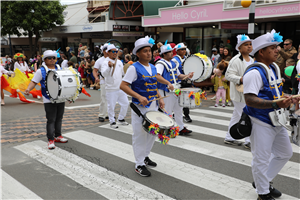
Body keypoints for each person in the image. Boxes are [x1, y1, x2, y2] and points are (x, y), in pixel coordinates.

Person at [243, 30, 295, 200]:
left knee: (285, 153)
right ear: (261, 52)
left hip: (276, 119)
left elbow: (272, 93)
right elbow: (249, 99)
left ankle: (262, 181)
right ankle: (263, 192)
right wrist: (275, 103)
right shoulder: (254, 72)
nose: (278, 50)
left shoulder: (272, 68)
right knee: (261, 159)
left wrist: (284, 98)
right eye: (273, 47)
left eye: (277, 47)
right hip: (260, 121)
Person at [120, 36, 165, 177]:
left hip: (153, 105)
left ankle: (145, 157)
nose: (148, 53)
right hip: (139, 107)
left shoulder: (152, 67)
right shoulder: (134, 68)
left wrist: (160, 98)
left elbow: (154, 84)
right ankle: (138, 164)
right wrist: (138, 96)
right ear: (138, 54)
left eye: (150, 51)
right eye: (145, 51)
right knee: (140, 135)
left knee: (152, 133)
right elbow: (122, 85)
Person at [25, 50, 68, 149]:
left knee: (59, 118)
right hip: (48, 99)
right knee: (51, 119)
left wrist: (68, 95)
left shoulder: (59, 68)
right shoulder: (41, 70)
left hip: (60, 98)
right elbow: (34, 82)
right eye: (50, 58)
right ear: (45, 59)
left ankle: (58, 136)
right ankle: (50, 139)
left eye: (54, 58)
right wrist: (28, 89)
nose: (52, 60)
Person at [155, 41, 193, 136]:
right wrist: (168, 83)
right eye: (170, 52)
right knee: (167, 110)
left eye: (172, 51)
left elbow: (179, 75)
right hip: (165, 90)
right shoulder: (160, 63)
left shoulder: (173, 63)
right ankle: (166, 128)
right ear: (164, 54)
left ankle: (180, 127)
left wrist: (187, 76)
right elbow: (157, 76)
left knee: (178, 109)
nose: (172, 53)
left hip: (176, 89)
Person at [225, 34, 254, 148]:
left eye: (250, 44)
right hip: (239, 94)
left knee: (236, 116)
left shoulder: (251, 59)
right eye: (246, 45)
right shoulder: (235, 60)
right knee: (247, 116)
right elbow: (228, 75)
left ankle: (229, 137)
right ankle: (249, 141)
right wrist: (241, 79)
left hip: (248, 92)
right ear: (239, 48)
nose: (249, 46)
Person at [101, 44, 129, 129]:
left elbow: (123, 74)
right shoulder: (105, 62)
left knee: (126, 103)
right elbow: (104, 74)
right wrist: (109, 67)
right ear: (108, 52)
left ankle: (120, 118)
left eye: (116, 51)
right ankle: (112, 121)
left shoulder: (119, 62)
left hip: (120, 87)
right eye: (113, 51)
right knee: (111, 106)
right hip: (111, 88)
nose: (115, 53)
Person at [172, 42, 192, 123]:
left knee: (186, 99)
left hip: (186, 82)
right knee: (178, 100)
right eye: (182, 49)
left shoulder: (187, 58)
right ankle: (181, 114)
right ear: (177, 51)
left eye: (185, 49)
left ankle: (186, 114)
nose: (184, 50)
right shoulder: (174, 60)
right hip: (178, 83)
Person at [93, 43, 109, 122]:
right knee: (103, 98)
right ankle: (102, 115)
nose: (107, 51)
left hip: (113, 82)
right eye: (105, 50)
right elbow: (95, 70)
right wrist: (96, 77)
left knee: (111, 99)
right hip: (103, 81)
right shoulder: (100, 60)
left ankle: (108, 114)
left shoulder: (114, 59)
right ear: (103, 51)